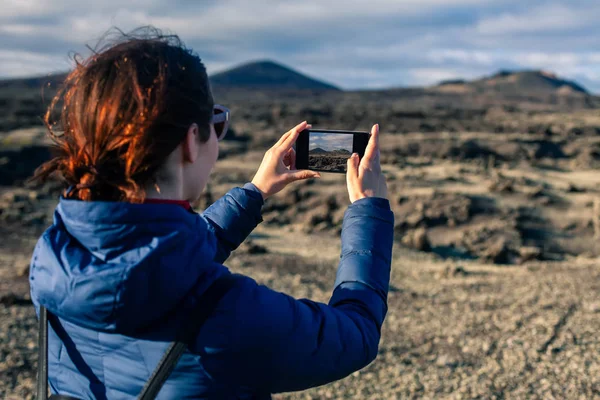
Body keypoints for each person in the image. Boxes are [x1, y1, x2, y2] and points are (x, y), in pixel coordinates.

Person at [29, 27, 393, 399]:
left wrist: (254, 193)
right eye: (216, 124)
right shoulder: (227, 317)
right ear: (190, 141)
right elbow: (354, 335)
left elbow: (157, 265)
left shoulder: (54, 259)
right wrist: (369, 211)